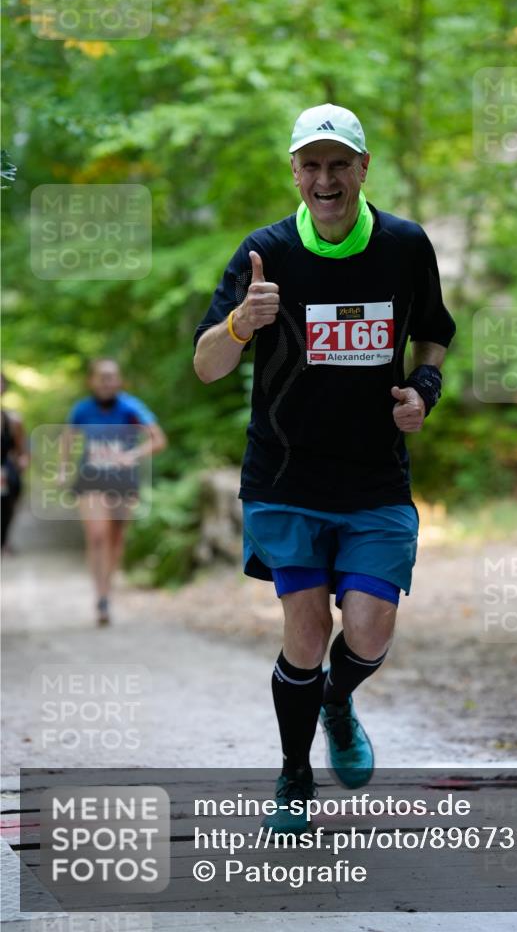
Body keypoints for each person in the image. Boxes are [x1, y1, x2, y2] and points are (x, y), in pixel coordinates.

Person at [193, 103, 456, 833]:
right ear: (294, 173)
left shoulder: (405, 245)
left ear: (363, 169)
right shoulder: (263, 254)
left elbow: (433, 335)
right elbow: (207, 366)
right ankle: (293, 770)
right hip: (284, 478)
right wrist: (242, 322)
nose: (325, 178)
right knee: (303, 634)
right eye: (310, 164)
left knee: (369, 632)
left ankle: (336, 700)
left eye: (338, 163)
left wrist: (423, 391)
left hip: (374, 477)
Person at [60, 358, 167, 626]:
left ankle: (107, 591)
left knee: (116, 537)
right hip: (91, 477)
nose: (107, 382)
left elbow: (158, 440)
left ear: (119, 381)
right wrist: (63, 469)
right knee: (97, 535)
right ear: (91, 381)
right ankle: (100, 596)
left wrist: (132, 454)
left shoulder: (131, 407)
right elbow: (67, 439)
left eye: (112, 377)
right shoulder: (81, 410)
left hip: (122, 479)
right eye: (102, 377)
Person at [1, 372, 29, 553]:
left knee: (8, 499)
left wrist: (23, 462)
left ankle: (3, 540)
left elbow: (22, 451)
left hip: (4, 470)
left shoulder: (12, 420)